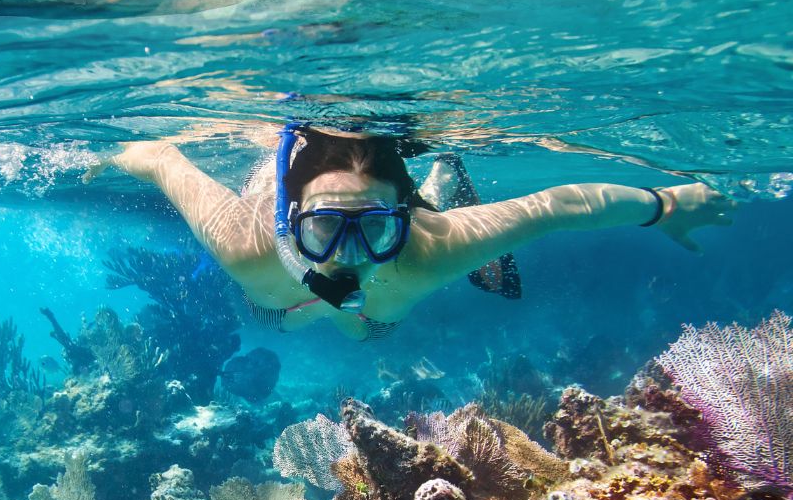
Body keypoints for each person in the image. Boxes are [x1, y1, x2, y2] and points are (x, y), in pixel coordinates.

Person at [84, 125, 735, 341]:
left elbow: (557, 205)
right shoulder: (247, 245)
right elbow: (163, 155)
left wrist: (665, 203)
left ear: (405, 219)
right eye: (325, 227)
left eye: (372, 229)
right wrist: (110, 156)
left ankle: (442, 183)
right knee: (279, 315)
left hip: (396, 264)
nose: (347, 255)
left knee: (368, 326)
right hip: (281, 296)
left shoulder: (430, 248)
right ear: (289, 223)